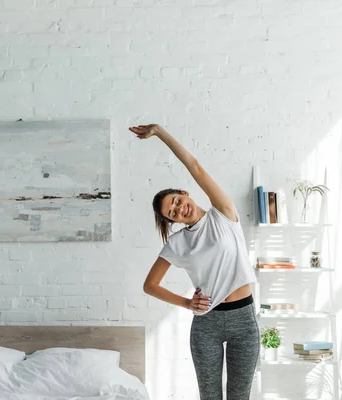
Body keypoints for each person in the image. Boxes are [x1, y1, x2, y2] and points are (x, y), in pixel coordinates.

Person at [129, 124, 259, 400]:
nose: (178, 209)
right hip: (207, 324)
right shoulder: (177, 243)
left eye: (176, 201)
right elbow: (150, 285)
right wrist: (187, 303)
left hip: (243, 320)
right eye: (172, 212)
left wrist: (161, 133)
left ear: (185, 193)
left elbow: (195, 167)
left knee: (240, 396)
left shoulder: (223, 214)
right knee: (209, 396)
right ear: (172, 220)